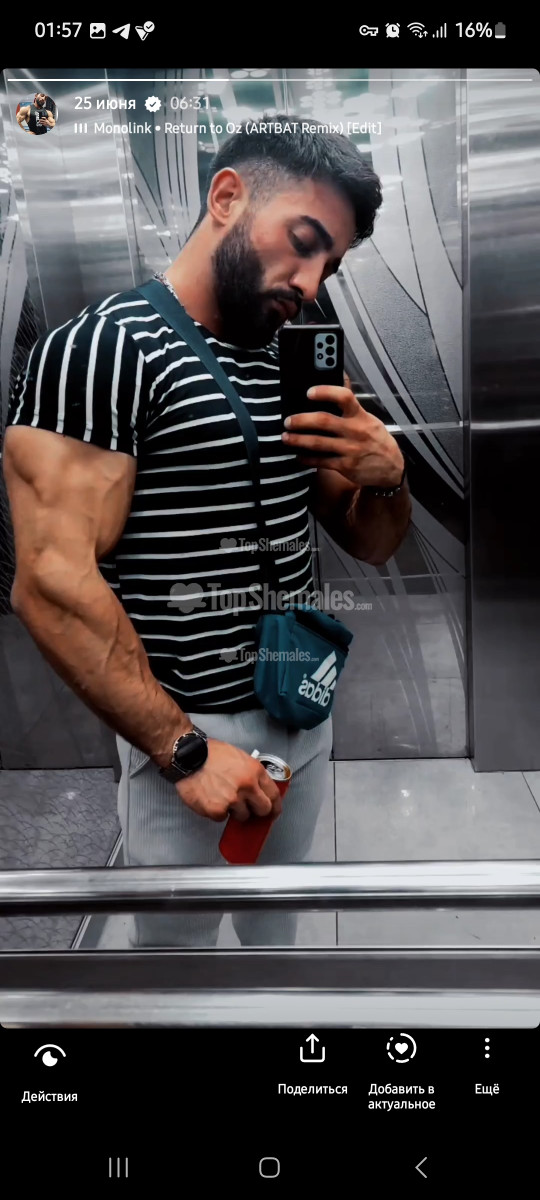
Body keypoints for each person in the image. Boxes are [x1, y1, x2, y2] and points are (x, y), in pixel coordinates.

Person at [3, 116, 411, 947]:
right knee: (174, 959)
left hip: (303, 699)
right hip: (188, 728)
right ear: (226, 197)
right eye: (304, 241)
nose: (311, 281)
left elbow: (369, 542)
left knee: (279, 929)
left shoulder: (288, 359)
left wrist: (388, 475)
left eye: (330, 263)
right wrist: (182, 750)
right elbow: (52, 583)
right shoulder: (105, 349)